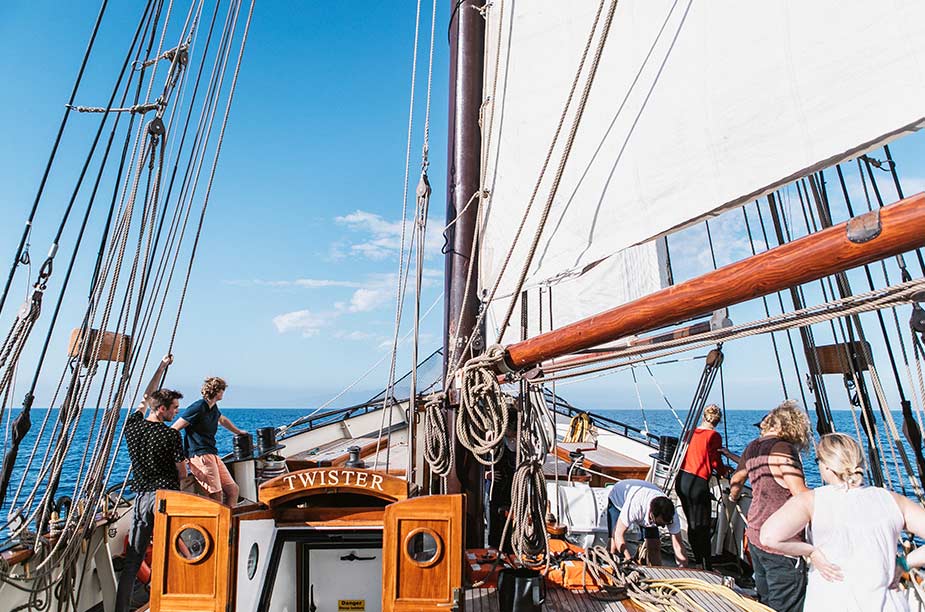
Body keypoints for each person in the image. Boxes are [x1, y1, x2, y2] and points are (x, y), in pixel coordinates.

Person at [762, 433, 925, 612]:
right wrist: (903, 564)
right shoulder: (892, 500)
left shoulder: (812, 501)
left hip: (832, 603)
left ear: (826, 467)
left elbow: (769, 537)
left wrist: (811, 551)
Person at [115, 355, 185, 612]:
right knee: (177, 553)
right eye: (174, 407)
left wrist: (161, 367)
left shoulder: (132, 427)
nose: (177, 411)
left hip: (142, 499)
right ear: (162, 409)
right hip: (166, 498)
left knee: (133, 560)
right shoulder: (171, 435)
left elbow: (145, 397)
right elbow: (182, 472)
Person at [728, 399, 811, 612]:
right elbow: (802, 496)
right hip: (781, 543)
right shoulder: (783, 449)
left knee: (764, 600)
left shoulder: (753, 447)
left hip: (755, 535)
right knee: (786, 603)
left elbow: (736, 479)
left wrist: (734, 496)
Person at [172, 376, 245, 505]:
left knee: (233, 490)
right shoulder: (198, 407)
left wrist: (238, 432)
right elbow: (175, 428)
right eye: (222, 390)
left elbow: (222, 420)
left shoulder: (212, 407)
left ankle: (229, 522)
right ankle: (218, 524)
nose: (223, 393)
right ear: (217, 391)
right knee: (216, 494)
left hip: (212, 453)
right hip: (200, 455)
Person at [674, 404, 730, 570]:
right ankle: (706, 566)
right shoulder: (714, 436)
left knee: (693, 523)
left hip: (682, 479)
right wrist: (724, 471)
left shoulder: (690, 433)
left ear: (703, 417)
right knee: (703, 526)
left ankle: (698, 561)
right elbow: (714, 460)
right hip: (698, 482)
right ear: (718, 421)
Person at [608, 479, 689, 567]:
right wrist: (629, 559)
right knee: (614, 546)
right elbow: (618, 535)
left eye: (665, 524)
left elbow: (678, 546)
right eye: (659, 524)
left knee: (654, 546)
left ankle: (657, 573)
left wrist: (683, 568)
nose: (662, 527)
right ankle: (611, 567)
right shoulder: (636, 507)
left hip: (647, 500)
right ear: (652, 514)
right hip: (619, 498)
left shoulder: (672, 514)